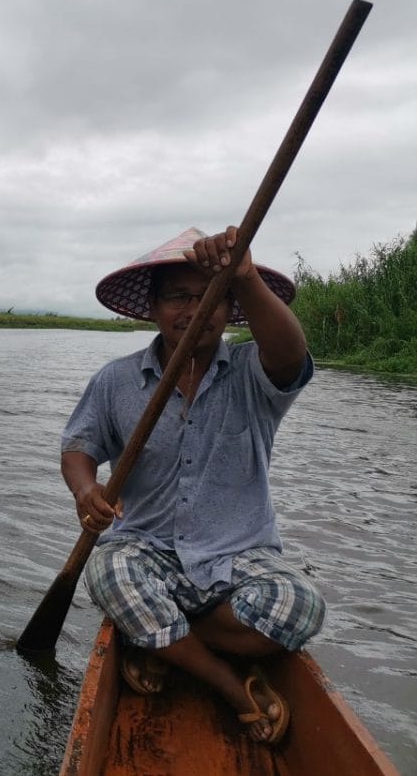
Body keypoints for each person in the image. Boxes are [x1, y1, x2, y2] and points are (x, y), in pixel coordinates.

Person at [61, 225, 323, 746]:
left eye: (211, 297)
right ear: (155, 307)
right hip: (148, 548)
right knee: (110, 569)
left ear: (230, 309)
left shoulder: (254, 370)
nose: (194, 309)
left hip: (237, 553)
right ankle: (226, 679)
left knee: (300, 604)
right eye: (179, 297)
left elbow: (292, 356)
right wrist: (85, 490)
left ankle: (158, 640)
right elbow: (79, 447)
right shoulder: (116, 379)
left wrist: (244, 275)